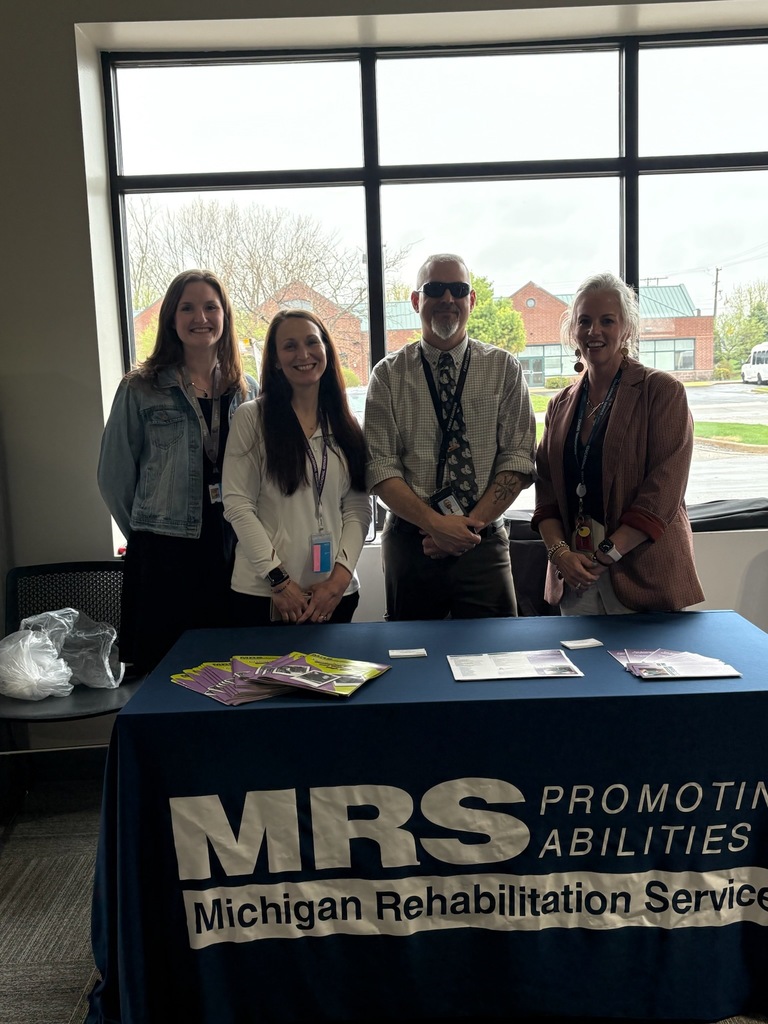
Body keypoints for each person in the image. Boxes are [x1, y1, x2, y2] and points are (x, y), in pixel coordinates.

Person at [98, 269, 258, 671]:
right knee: (164, 674)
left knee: (231, 671)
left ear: (225, 317)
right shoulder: (141, 388)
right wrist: (146, 530)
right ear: (171, 317)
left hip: (231, 546)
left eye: (210, 307)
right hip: (163, 553)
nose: (200, 317)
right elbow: (114, 476)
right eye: (187, 308)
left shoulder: (245, 389)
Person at [365, 253, 536, 620]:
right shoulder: (388, 376)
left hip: (482, 542)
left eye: (458, 289)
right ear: (416, 300)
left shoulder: (504, 369)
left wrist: (465, 529)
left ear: (471, 300)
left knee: (500, 657)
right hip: (412, 545)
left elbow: (518, 459)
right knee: (412, 660)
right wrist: (435, 525)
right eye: (435, 289)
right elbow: (380, 468)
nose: (447, 299)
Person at [533, 271, 704, 615]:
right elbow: (547, 492)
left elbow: (663, 491)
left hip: (642, 577)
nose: (594, 331)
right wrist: (560, 554)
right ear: (573, 331)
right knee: (582, 669)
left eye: (606, 321)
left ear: (626, 328)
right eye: (585, 321)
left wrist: (608, 552)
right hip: (576, 578)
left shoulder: (662, 393)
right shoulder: (560, 405)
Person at [222, 310, 370, 626]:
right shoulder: (252, 419)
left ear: (326, 350)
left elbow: (358, 509)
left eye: (312, 342)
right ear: (275, 359)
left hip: (332, 595)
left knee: (333, 677)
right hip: (265, 594)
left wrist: (338, 581)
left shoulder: (346, 424)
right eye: (289, 346)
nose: (303, 354)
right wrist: (278, 579)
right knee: (265, 678)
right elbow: (237, 505)